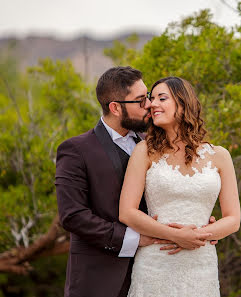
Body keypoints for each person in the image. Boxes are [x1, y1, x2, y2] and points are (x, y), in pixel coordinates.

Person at [55, 67, 215, 297]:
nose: (149, 105)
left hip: (156, 272)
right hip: (99, 278)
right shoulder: (76, 150)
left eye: (148, 97)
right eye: (141, 101)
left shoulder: (154, 144)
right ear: (116, 107)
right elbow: (72, 215)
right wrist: (135, 239)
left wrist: (198, 226)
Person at [119, 76, 241, 296]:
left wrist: (200, 235)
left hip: (200, 266)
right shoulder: (144, 151)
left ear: (184, 104)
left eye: (161, 98)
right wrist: (174, 235)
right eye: (151, 98)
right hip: (155, 265)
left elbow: (233, 219)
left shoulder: (220, 156)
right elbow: (127, 212)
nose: (152, 104)